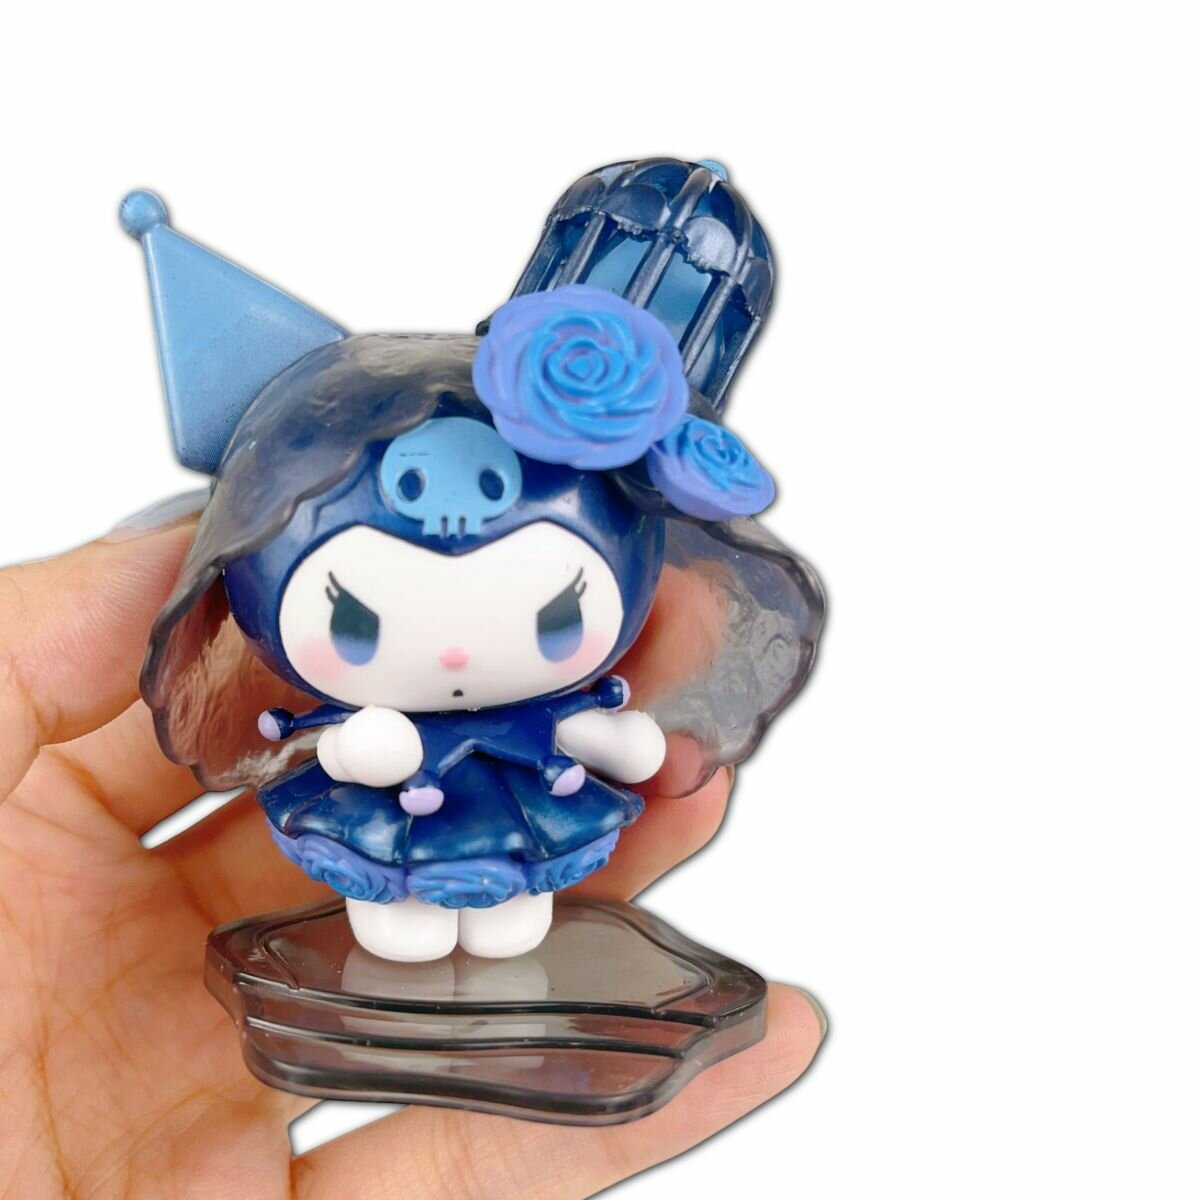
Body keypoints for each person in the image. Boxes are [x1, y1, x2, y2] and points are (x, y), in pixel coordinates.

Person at [0, 495, 825, 1197]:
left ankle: (498, 927)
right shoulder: (355, 714)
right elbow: (344, 749)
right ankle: (406, 926)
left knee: (514, 919)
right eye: (357, 624)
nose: (457, 652)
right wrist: (370, 748)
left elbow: (614, 742)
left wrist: (622, 741)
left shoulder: (548, 709)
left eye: (553, 618)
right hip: (391, 811)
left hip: (522, 800)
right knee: (396, 920)